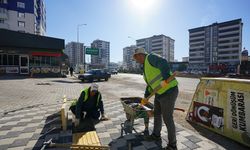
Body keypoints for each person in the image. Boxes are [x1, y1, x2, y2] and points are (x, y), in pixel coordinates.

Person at [133, 48, 179, 150]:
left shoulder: (151, 57)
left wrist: (166, 76)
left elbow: (163, 62)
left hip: (169, 91)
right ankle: (156, 135)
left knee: (168, 118)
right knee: (157, 115)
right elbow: (150, 85)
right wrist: (146, 97)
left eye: (137, 58)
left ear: (141, 55)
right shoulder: (145, 67)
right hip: (159, 92)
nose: (137, 60)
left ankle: (172, 145)